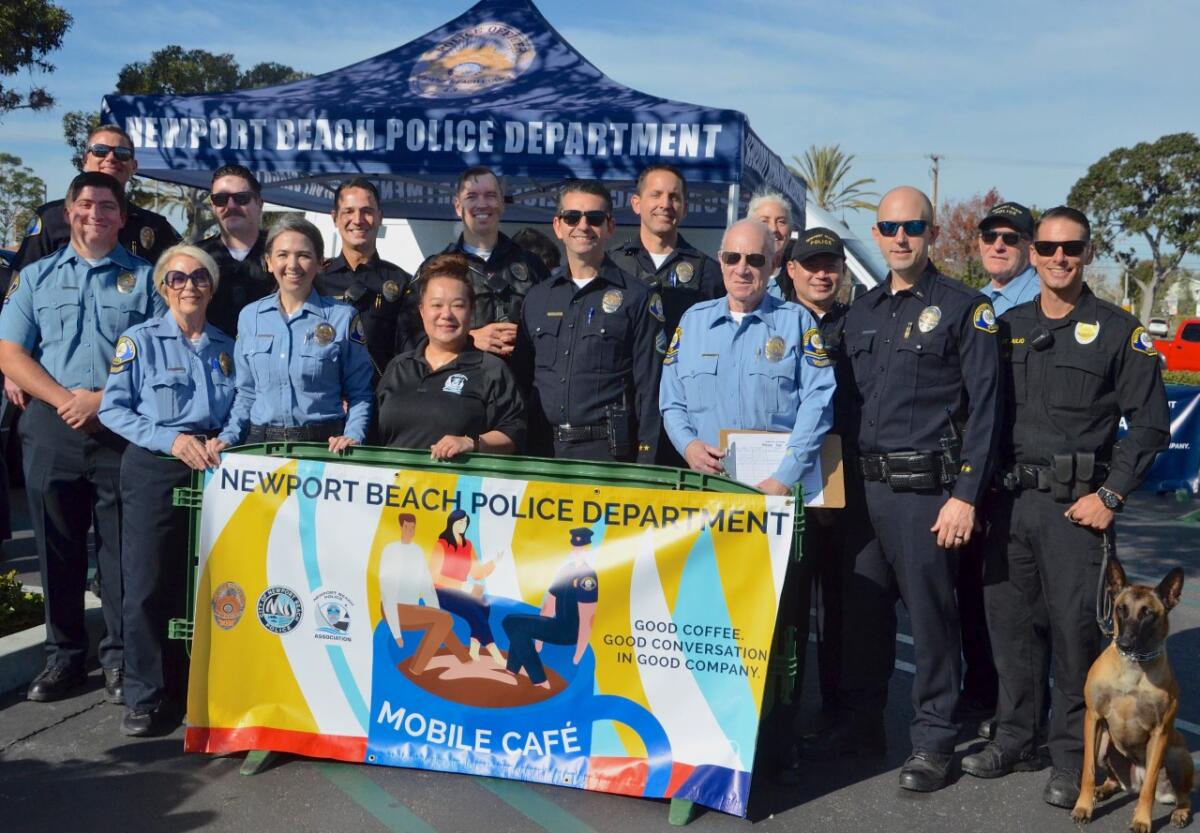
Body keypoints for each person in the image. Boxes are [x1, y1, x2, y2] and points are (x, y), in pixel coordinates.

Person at [963, 207, 1169, 810]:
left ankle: (1071, 757)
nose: (1058, 258)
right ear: (1032, 253)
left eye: (1070, 248)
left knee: (1077, 638)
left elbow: (1151, 424)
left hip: (1076, 511)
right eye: (1047, 247)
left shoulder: (1117, 329)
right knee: (1010, 631)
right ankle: (1015, 737)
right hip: (1008, 505)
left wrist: (1111, 496)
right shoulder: (1007, 326)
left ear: (1087, 252)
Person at [812, 186, 1001, 793]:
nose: (899, 238)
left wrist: (965, 496)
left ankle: (934, 741)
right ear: (877, 231)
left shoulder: (962, 307)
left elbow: (987, 410)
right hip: (863, 494)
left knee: (931, 621)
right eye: (890, 227)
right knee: (861, 617)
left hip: (927, 494)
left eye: (912, 227)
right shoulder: (860, 312)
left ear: (931, 234)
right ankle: (862, 726)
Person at [0, 171, 164, 703]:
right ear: (69, 212)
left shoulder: (148, 280)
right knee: (57, 547)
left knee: (120, 549)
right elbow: (11, 354)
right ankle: (64, 657)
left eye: (108, 206)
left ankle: (118, 658)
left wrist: (102, 399)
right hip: (52, 424)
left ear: (122, 217)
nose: (97, 213)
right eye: (87, 204)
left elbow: (163, 356)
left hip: (121, 426)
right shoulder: (36, 277)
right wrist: (63, 399)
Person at [97, 244, 233, 736]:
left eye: (200, 277)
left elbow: (243, 404)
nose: (189, 286)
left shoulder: (225, 345)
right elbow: (113, 409)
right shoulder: (139, 340)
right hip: (156, 466)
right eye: (177, 278)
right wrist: (170, 439)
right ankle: (146, 695)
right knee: (149, 580)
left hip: (213, 468)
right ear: (162, 287)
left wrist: (228, 436)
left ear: (212, 287)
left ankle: (188, 686)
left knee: (199, 582)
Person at [659, 219, 834, 496]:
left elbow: (819, 404)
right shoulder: (693, 322)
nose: (742, 269)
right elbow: (671, 401)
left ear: (774, 263)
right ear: (721, 260)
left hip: (776, 492)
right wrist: (688, 446)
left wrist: (786, 477)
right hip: (706, 489)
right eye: (732, 258)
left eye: (754, 259)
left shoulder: (797, 323)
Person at [514, 180, 663, 464]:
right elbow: (520, 383)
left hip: (607, 455)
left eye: (594, 218)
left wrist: (647, 464)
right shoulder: (537, 298)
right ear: (558, 226)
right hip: (542, 451)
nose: (583, 226)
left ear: (610, 227)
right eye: (572, 217)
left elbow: (650, 390)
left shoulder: (637, 298)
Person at [210, 215, 372, 452]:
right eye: (283, 255)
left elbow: (360, 392)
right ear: (269, 262)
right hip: (260, 446)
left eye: (304, 255)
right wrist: (229, 436)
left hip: (321, 447)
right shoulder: (250, 317)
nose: (292, 265)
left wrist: (353, 435)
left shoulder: (342, 317)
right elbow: (246, 393)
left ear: (320, 263)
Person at [780, 228, 854, 742]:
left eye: (830, 264)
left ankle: (836, 714)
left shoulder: (861, 322)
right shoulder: (773, 319)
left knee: (842, 608)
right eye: (811, 264)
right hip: (782, 483)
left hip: (843, 484)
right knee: (785, 611)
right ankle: (780, 719)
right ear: (791, 270)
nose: (821, 273)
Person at [375, 253, 525, 457]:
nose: (446, 314)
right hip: (397, 486)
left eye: (458, 305)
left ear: (471, 311)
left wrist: (472, 443)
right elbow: (373, 432)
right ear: (421, 311)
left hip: (459, 486)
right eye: (436, 305)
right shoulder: (399, 367)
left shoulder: (491, 370)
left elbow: (514, 433)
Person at [3, 124, 179, 289]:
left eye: (122, 153)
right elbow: (20, 282)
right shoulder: (50, 218)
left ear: (134, 166)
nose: (111, 158)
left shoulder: (155, 226)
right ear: (85, 160)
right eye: (100, 151)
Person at [411, 167, 548, 358]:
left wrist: (527, 337)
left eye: (490, 195)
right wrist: (468, 338)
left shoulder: (532, 266)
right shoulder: (436, 269)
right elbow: (410, 338)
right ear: (458, 206)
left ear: (502, 203)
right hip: (459, 381)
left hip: (520, 382)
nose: (482, 204)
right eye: (472, 196)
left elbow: (553, 331)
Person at [316, 178, 413, 377]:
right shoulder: (316, 280)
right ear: (335, 218)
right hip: (327, 399)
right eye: (348, 211)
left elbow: (410, 350)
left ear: (380, 217)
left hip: (382, 399)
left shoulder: (402, 282)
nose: (358, 220)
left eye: (367, 211)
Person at [611, 164, 723, 336]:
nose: (665, 204)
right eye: (656, 195)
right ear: (636, 203)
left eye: (674, 197)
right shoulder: (612, 264)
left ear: (685, 209)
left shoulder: (708, 272)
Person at [502, 527, 599, 689]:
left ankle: (539, 679)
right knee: (513, 623)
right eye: (575, 547)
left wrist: (579, 653)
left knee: (514, 625)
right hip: (557, 625)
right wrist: (539, 641)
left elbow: (587, 617)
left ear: (588, 549)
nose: (577, 551)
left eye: (582, 548)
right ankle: (512, 670)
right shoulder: (564, 571)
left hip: (570, 632)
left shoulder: (588, 577)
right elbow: (549, 605)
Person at [378, 513, 472, 675]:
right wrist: (396, 633)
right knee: (444, 620)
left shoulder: (417, 551)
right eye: (407, 527)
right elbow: (388, 593)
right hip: (393, 609)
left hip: (412, 609)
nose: (410, 530)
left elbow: (426, 585)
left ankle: (466, 660)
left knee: (442, 621)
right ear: (401, 527)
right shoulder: (391, 550)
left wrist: (436, 611)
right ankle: (416, 669)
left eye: (413, 527)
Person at [197, 165, 273, 337]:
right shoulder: (196, 257)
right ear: (212, 206)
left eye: (241, 198)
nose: (231, 205)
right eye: (220, 199)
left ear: (260, 204)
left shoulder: (282, 254)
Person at [430, 510, 502, 664]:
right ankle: (495, 653)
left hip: (461, 591)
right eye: (460, 522)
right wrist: (463, 586)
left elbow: (477, 573)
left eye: (465, 522)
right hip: (441, 591)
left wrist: (494, 562)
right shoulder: (441, 544)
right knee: (473, 611)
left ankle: (474, 650)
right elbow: (434, 577)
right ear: (452, 523)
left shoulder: (468, 545)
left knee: (485, 605)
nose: (463, 525)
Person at [977, 201, 1040, 316]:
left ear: (1031, 248)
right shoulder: (975, 300)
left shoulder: (1046, 299)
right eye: (989, 237)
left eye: (1010, 238)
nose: (997, 247)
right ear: (980, 243)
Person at [748, 190, 795, 288]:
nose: (773, 229)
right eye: (764, 221)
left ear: (790, 231)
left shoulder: (799, 277)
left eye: (781, 222)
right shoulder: (736, 274)